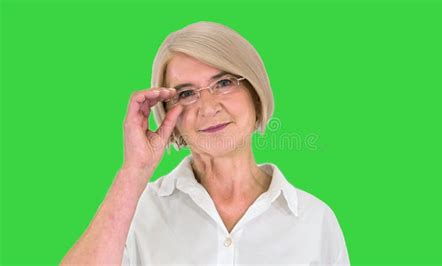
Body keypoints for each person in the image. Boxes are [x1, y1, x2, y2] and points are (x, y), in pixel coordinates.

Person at [61, 21, 350, 265]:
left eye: (223, 83)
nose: (208, 107)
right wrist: (134, 170)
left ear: (255, 91)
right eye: (186, 93)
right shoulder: (139, 210)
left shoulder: (314, 220)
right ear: (167, 112)